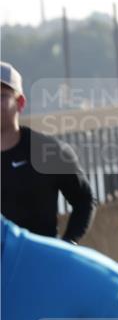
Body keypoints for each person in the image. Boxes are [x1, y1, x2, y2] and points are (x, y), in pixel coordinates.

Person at [1, 61, 95, 243]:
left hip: (38, 261)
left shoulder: (47, 151)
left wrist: (69, 243)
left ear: (20, 103)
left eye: (2, 96)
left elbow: (84, 200)